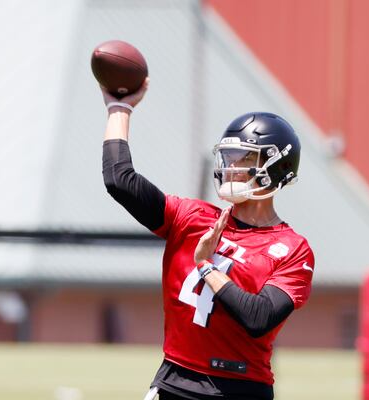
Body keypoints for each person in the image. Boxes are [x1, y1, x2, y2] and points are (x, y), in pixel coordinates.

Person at [101, 78, 315, 400]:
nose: (229, 168)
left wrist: (205, 266)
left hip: (241, 388)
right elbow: (120, 180)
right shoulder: (192, 217)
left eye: (242, 160)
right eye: (228, 158)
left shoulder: (293, 249)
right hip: (175, 377)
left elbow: (258, 317)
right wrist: (120, 107)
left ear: (274, 167)